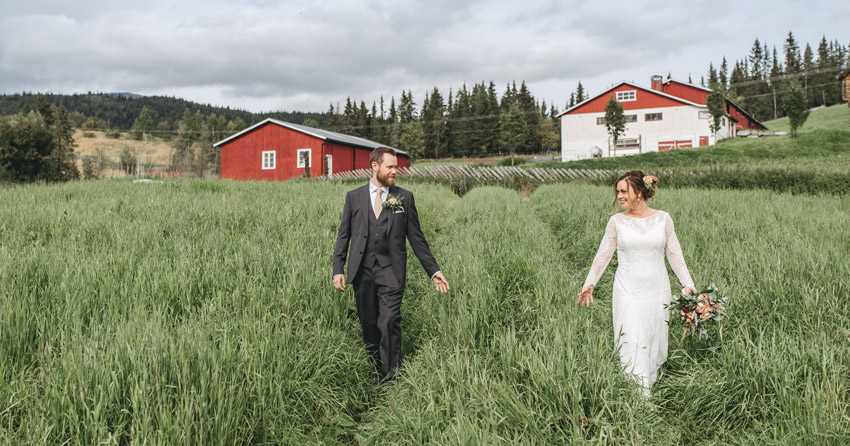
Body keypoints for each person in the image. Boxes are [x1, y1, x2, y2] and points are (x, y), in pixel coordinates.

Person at [333, 147, 450, 381]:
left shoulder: (403, 198)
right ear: (375, 166)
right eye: (390, 167)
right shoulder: (354, 197)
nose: (395, 171)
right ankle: (374, 370)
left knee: (389, 321)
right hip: (362, 271)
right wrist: (338, 269)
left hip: (391, 271)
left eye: (396, 166)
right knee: (369, 325)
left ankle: (391, 378)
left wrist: (433, 270)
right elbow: (344, 235)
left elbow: (416, 238)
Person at [577, 170, 696, 396]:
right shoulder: (617, 222)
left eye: (624, 191)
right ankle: (641, 401)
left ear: (639, 192)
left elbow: (674, 254)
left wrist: (688, 284)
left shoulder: (663, 219)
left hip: (657, 290)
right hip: (627, 291)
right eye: (618, 192)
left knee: (653, 341)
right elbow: (603, 255)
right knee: (633, 340)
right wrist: (589, 283)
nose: (619, 196)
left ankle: (646, 388)